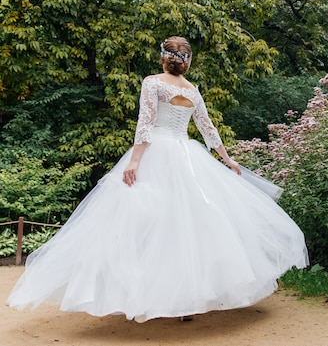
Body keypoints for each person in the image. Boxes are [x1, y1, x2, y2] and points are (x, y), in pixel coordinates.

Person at [7, 36, 309, 323]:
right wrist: (227, 159)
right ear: (186, 62)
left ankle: (147, 296)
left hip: (157, 154)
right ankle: (186, 300)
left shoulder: (152, 83)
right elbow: (207, 127)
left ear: (164, 59)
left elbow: (146, 123)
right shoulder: (192, 90)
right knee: (190, 227)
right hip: (188, 157)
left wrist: (135, 161)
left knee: (146, 227)